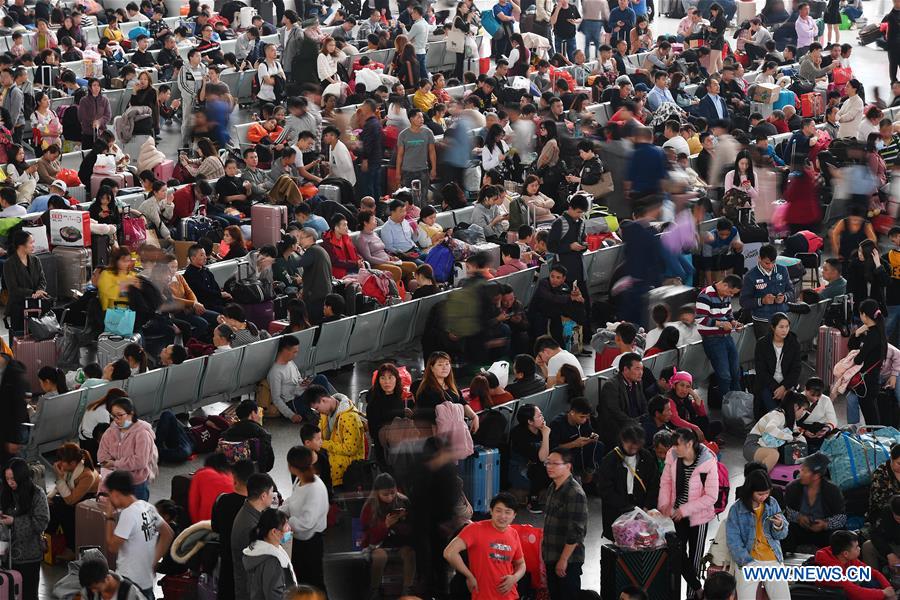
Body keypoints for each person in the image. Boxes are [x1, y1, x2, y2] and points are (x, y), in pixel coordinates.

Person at [658, 428, 719, 599]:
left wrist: (684, 510)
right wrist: (665, 505)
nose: (674, 449)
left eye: (678, 445)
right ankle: (695, 590)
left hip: (698, 517)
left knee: (695, 558)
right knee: (677, 553)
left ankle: (692, 595)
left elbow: (711, 496)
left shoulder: (707, 461)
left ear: (690, 443)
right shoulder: (673, 454)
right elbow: (666, 481)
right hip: (676, 515)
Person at [103, 470, 174, 600]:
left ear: (115, 493)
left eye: (109, 494)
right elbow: (168, 533)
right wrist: (153, 562)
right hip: (146, 581)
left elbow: (112, 547)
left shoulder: (128, 514)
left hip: (129, 582)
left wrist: (109, 517)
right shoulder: (147, 506)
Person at [444, 491, 526, 598]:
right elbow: (449, 553)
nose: (502, 516)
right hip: (482, 594)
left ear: (514, 515)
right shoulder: (475, 529)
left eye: (508, 512)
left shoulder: (513, 533)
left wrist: (514, 578)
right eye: (498, 511)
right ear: (491, 511)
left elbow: (521, 564)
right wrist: (469, 576)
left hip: (509, 595)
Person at [725, 469, 790, 600]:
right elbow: (733, 541)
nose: (764, 497)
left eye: (767, 493)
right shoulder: (736, 509)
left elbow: (782, 536)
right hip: (748, 559)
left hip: (772, 557)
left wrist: (779, 525)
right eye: (760, 494)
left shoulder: (772, 503)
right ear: (750, 491)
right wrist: (747, 562)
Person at [597, 424, 661, 540]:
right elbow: (605, 490)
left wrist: (647, 506)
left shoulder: (646, 457)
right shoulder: (610, 460)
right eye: (630, 444)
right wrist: (626, 509)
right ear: (622, 440)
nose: (633, 447)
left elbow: (654, 483)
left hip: (641, 509)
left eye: (637, 444)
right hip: (617, 511)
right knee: (619, 544)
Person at [0, 457, 49, 600]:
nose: (10, 482)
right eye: (7, 479)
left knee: (28, 594)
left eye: (13, 479)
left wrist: (14, 521)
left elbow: (41, 522)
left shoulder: (37, 494)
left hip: (30, 555)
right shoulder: (5, 492)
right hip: (7, 555)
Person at [542, 448, 588, 598]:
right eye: (548, 463)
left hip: (568, 559)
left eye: (555, 463)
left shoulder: (575, 493)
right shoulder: (552, 487)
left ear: (568, 466)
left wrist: (563, 560)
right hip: (551, 554)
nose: (549, 467)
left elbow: (576, 532)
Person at [361, 473, 416, 597]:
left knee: (410, 554)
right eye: (385, 494)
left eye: (393, 493)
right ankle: (374, 589)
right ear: (377, 493)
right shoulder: (369, 507)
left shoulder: (403, 501)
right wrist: (385, 526)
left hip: (400, 543)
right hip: (377, 545)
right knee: (380, 556)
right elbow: (370, 537)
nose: (390, 497)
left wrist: (400, 522)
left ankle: (407, 589)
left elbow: (412, 530)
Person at [284, 445, 328, 592]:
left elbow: (307, 522)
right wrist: (280, 511)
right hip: (300, 539)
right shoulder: (300, 480)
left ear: (292, 467)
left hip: (311, 542)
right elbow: (292, 500)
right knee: (302, 580)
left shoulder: (315, 488)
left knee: (314, 583)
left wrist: (286, 522)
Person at [782, 452, 847, 552]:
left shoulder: (833, 490)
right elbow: (787, 511)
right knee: (786, 531)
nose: (801, 473)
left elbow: (841, 518)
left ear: (816, 476)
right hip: (800, 530)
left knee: (837, 536)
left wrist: (825, 524)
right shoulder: (792, 487)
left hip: (824, 533)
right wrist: (799, 517)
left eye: (805, 471)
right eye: (801, 469)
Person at [97, 397, 158, 501]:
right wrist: (110, 463)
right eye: (113, 416)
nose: (116, 419)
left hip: (135, 484)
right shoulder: (110, 432)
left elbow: (140, 461)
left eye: (120, 415)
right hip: (116, 482)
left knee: (136, 513)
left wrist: (114, 463)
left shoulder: (142, 433)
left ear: (131, 414)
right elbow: (102, 456)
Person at [211, 459, 256, 600]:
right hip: (250, 565)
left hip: (227, 561)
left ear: (234, 479)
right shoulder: (257, 507)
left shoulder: (222, 501)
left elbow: (215, 528)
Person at [46, 443, 100, 560]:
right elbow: (61, 489)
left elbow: (70, 500)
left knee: (64, 510)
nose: (59, 463)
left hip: (89, 502)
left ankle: (71, 548)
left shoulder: (87, 475)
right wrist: (48, 498)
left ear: (73, 463)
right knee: (52, 505)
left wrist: (59, 478)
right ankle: (48, 541)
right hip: (76, 499)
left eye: (62, 461)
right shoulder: (70, 468)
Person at [307, 386, 367, 488]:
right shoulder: (325, 414)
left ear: (324, 400)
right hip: (332, 465)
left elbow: (350, 449)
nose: (318, 412)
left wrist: (322, 443)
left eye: (317, 408)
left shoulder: (349, 418)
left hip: (346, 473)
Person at [697, 275, 743, 396]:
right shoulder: (705, 295)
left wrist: (734, 322)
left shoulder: (726, 296)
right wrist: (721, 324)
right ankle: (727, 405)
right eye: (730, 292)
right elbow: (700, 319)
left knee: (736, 373)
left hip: (727, 337)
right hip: (712, 341)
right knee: (725, 376)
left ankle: (738, 403)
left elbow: (728, 314)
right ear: (724, 285)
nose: (731, 296)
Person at [232, 473, 276, 599]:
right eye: (272, 492)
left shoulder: (251, 511)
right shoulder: (249, 527)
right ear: (263, 496)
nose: (273, 496)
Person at [815, 530, 895, 599]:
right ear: (845, 553)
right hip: (832, 595)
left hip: (847, 589)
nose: (859, 548)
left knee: (873, 582)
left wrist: (888, 588)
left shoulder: (845, 557)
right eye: (856, 547)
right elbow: (856, 593)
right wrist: (884, 593)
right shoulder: (832, 570)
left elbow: (874, 572)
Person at [847, 298, 889, 426]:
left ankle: (874, 439)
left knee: (871, 417)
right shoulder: (875, 331)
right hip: (870, 380)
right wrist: (857, 333)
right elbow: (852, 346)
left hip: (867, 382)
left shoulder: (872, 335)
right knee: (869, 412)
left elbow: (859, 359)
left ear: (864, 315)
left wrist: (855, 356)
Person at [549, 397, 603, 492]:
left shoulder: (584, 422)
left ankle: (590, 473)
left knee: (599, 445)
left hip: (581, 451)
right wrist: (574, 444)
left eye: (586, 417)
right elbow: (553, 448)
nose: (584, 420)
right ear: (572, 412)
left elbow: (588, 433)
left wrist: (592, 437)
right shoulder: (557, 423)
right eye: (582, 417)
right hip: (566, 455)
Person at [753, 312, 803, 417]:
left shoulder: (794, 343)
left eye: (787, 326)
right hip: (768, 384)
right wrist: (777, 388)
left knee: (793, 410)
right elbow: (761, 371)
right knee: (775, 413)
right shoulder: (762, 344)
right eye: (781, 327)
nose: (785, 330)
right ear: (773, 327)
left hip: (787, 384)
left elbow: (796, 369)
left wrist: (784, 387)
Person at [242, 508, 298, 600]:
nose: (289, 528)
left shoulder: (257, 551)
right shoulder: (272, 561)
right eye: (286, 525)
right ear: (274, 532)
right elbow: (275, 595)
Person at [2, 230, 49, 334]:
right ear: (21, 245)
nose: (33, 245)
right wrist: (32, 293)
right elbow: (13, 289)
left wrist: (39, 291)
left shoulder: (35, 260)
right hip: (18, 307)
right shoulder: (9, 264)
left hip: (37, 304)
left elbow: (42, 280)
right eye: (31, 243)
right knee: (20, 336)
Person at [508, 403, 552, 512]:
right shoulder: (518, 434)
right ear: (530, 421)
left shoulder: (541, 429)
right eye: (539, 416)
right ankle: (532, 502)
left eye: (541, 415)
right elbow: (542, 458)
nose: (542, 418)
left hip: (535, 466)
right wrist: (546, 435)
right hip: (521, 470)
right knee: (541, 468)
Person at [599, 353, 647, 449]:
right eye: (637, 369)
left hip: (635, 424)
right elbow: (615, 413)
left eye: (642, 369)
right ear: (625, 369)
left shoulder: (637, 383)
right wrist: (635, 424)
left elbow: (643, 404)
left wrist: (647, 418)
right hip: (618, 429)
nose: (641, 372)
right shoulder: (611, 386)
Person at [366, 363, 410, 469]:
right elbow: (374, 432)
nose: (387, 382)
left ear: (396, 379)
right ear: (378, 381)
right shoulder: (374, 401)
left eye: (390, 377)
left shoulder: (398, 396)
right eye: (383, 378)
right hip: (385, 448)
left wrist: (404, 413)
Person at [740, 245, 795, 322]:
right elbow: (744, 302)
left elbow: (792, 291)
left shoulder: (782, 270)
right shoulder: (750, 276)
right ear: (759, 258)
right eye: (767, 263)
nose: (770, 266)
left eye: (773, 262)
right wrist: (762, 301)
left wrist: (784, 297)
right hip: (762, 320)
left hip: (782, 317)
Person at [221, 400, 274, 473]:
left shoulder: (227, 433)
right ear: (252, 413)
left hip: (230, 475)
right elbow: (268, 463)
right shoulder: (262, 434)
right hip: (253, 475)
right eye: (258, 412)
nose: (259, 415)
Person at [294, 227, 333, 324]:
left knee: (314, 324)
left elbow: (297, 263)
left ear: (311, 238)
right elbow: (316, 272)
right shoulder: (320, 250)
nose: (299, 241)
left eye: (302, 238)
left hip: (315, 296)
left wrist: (292, 251)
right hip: (324, 293)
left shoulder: (312, 251)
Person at [862, 494, 900, 573]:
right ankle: (874, 580)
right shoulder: (886, 512)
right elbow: (875, 534)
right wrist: (889, 553)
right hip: (892, 546)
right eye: (898, 518)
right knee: (868, 546)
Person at [77, 558, 147, 600]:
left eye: (95, 587)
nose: (93, 591)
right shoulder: (88, 591)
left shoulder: (130, 592)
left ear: (106, 578)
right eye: (90, 588)